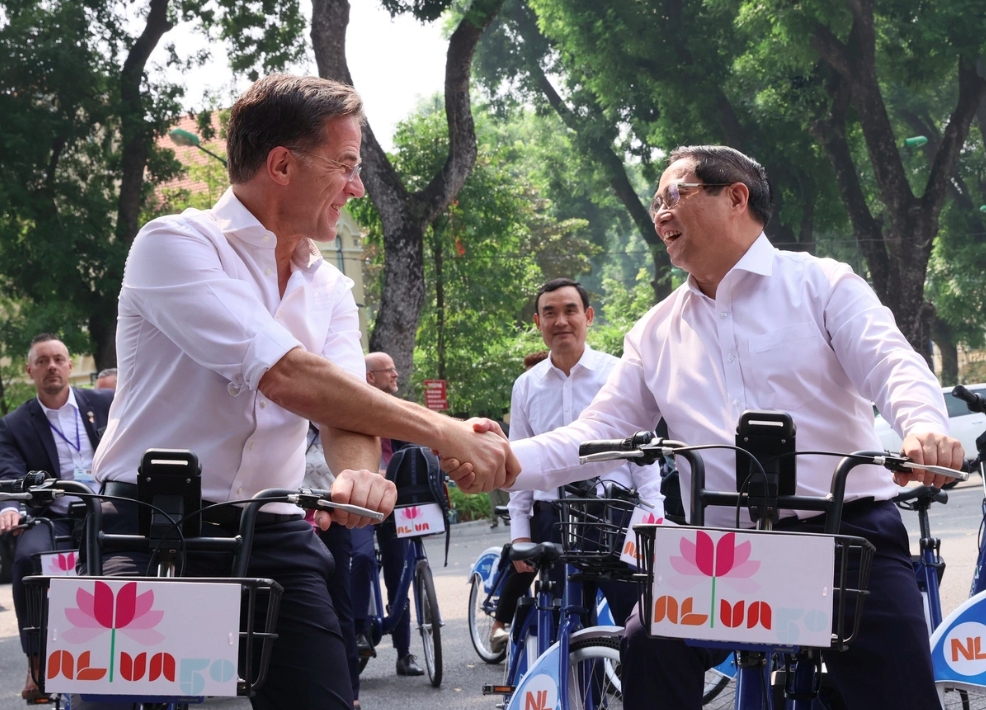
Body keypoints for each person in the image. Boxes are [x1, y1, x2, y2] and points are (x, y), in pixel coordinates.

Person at [450, 145, 963, 710]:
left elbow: (893, 364)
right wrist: (508, 457)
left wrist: (924, 428)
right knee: (649, 641)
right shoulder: (654, 332)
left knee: (898, 686)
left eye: (674, 194)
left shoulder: (823, 285)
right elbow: (597, 433)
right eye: (655, 202)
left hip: (845, 538)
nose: (660, 213)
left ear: (735, 197)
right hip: (725, 551)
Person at [86, 74, 518, 710]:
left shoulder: (330, 290)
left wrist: (359, 477)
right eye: (345, 164)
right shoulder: (173, 244)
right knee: (115, 699)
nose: (358, 186)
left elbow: (341, 405)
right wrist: (443, 429)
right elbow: (286, 374)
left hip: (271, 528)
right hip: (147, 523)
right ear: (282, 164)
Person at [487, 279, 663, 654]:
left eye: (570, 310)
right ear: (538, 322)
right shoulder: (526, 386)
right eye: (550, 312)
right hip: (554, 517)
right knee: (560, 621)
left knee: (634, 628)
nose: (561, 320)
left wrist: (650, 518)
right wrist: (520, 532)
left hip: (613, 516)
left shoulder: (619, 373)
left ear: (588, 316)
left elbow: (644, 454)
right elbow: (518, 462)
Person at [0, 333, 113, 701]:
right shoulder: (14, 424)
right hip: (54, 514)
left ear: (69, 365)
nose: (52, 366)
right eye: (43, 360)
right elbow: (8, 474)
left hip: (109, 509)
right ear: (29, 370)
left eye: (59, 359)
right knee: (28, 559)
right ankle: (38, 665)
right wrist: (10, 508)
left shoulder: (106, 403)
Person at [350, 351, 424, 677]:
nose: (395, 375)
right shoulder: (350, 410)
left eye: (395, 370)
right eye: (388, 371)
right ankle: (359, 628)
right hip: (362, 502)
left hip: (397, 506)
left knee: (401, 570)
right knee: (362, 558)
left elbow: (416, 457)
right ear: (370, 377)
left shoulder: (399, 412)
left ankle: (404, 653)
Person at [303, 422, 361, 708]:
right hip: (281, 515)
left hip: (332, 520)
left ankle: (351, 691)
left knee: (339, 604)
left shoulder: (336, 422)